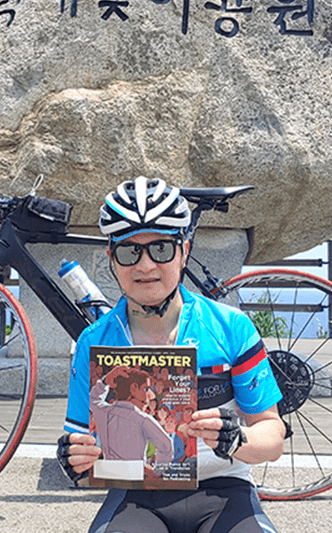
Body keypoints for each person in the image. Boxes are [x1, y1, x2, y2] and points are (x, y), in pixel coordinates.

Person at [57, 176, 285, 533]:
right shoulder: (93, 342)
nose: (146, 266)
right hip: (134, 494)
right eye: (129, 251)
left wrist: (237, 438)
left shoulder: (231, 327)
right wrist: (76, 462)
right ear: (111, 259)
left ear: (184, 250)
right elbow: (85, 458)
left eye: (161, 248)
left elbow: (272, 434)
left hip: (224, 489)